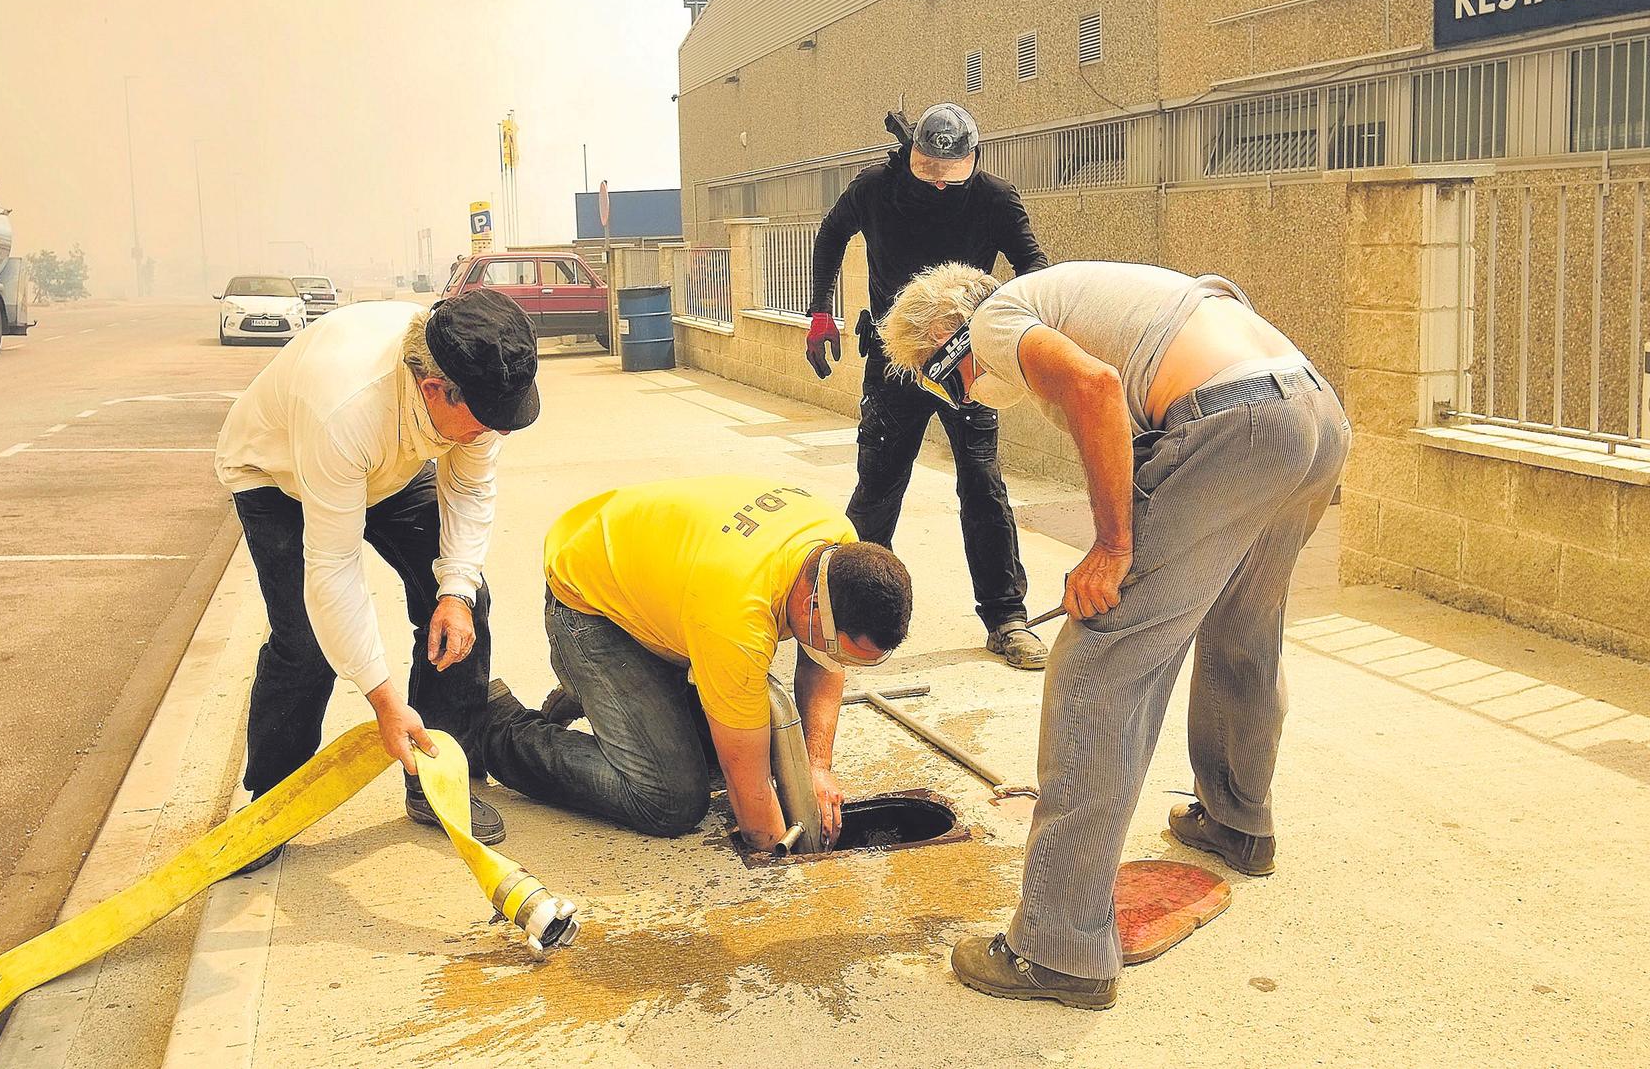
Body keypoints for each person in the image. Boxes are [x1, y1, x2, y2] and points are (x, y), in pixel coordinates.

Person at [878, 261, 1348, 1009]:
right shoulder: (1084, 293)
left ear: (946, 335)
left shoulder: (999, 318)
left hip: (1236, 422)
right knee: (1242, 623)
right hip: (1312, 414)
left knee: (1096, 669)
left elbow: (1096, 388)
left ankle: (1059, 946)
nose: (960, 395)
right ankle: (1237, 820)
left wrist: (1113, 548)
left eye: (944, 377)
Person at [213, 292, 540, 866]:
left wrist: (455, 592)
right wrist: (383, 698)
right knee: (305, 640)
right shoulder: (343, 407)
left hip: (386, 468)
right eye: (488, 420)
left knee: (466, 599)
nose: (497, 432)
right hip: (278, 472)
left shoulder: (472, 383)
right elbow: (334, 570)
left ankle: (438, 781)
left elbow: (469, 490)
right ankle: (271, 802)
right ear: (434, 389)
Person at [468, 477, 913, 851]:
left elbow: (822, 663)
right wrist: (786, 865)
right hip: (590, 606)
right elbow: (750, 791)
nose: (837, 664)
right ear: (814, 606)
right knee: (669, 797)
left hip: (658, 588)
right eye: (839, 650)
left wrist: (817, 766)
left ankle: (605, 695)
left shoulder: (838, 550)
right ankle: (500, 730)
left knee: (733, 753)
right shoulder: (735, 616)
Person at [807, 102, 1050, 669]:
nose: (939, 181)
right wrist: (821, 311)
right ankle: (850, 619)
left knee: (983, 485)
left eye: (951, 170)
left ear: (973, 158)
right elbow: (829, 237)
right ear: (910, 152)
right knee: (878, 488)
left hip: (969, 368)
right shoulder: (875, 189)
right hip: (895, 362)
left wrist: (1035, 345)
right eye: (926, 166)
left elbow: (1035, 271)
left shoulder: (994, 198)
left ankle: (1006, 618)